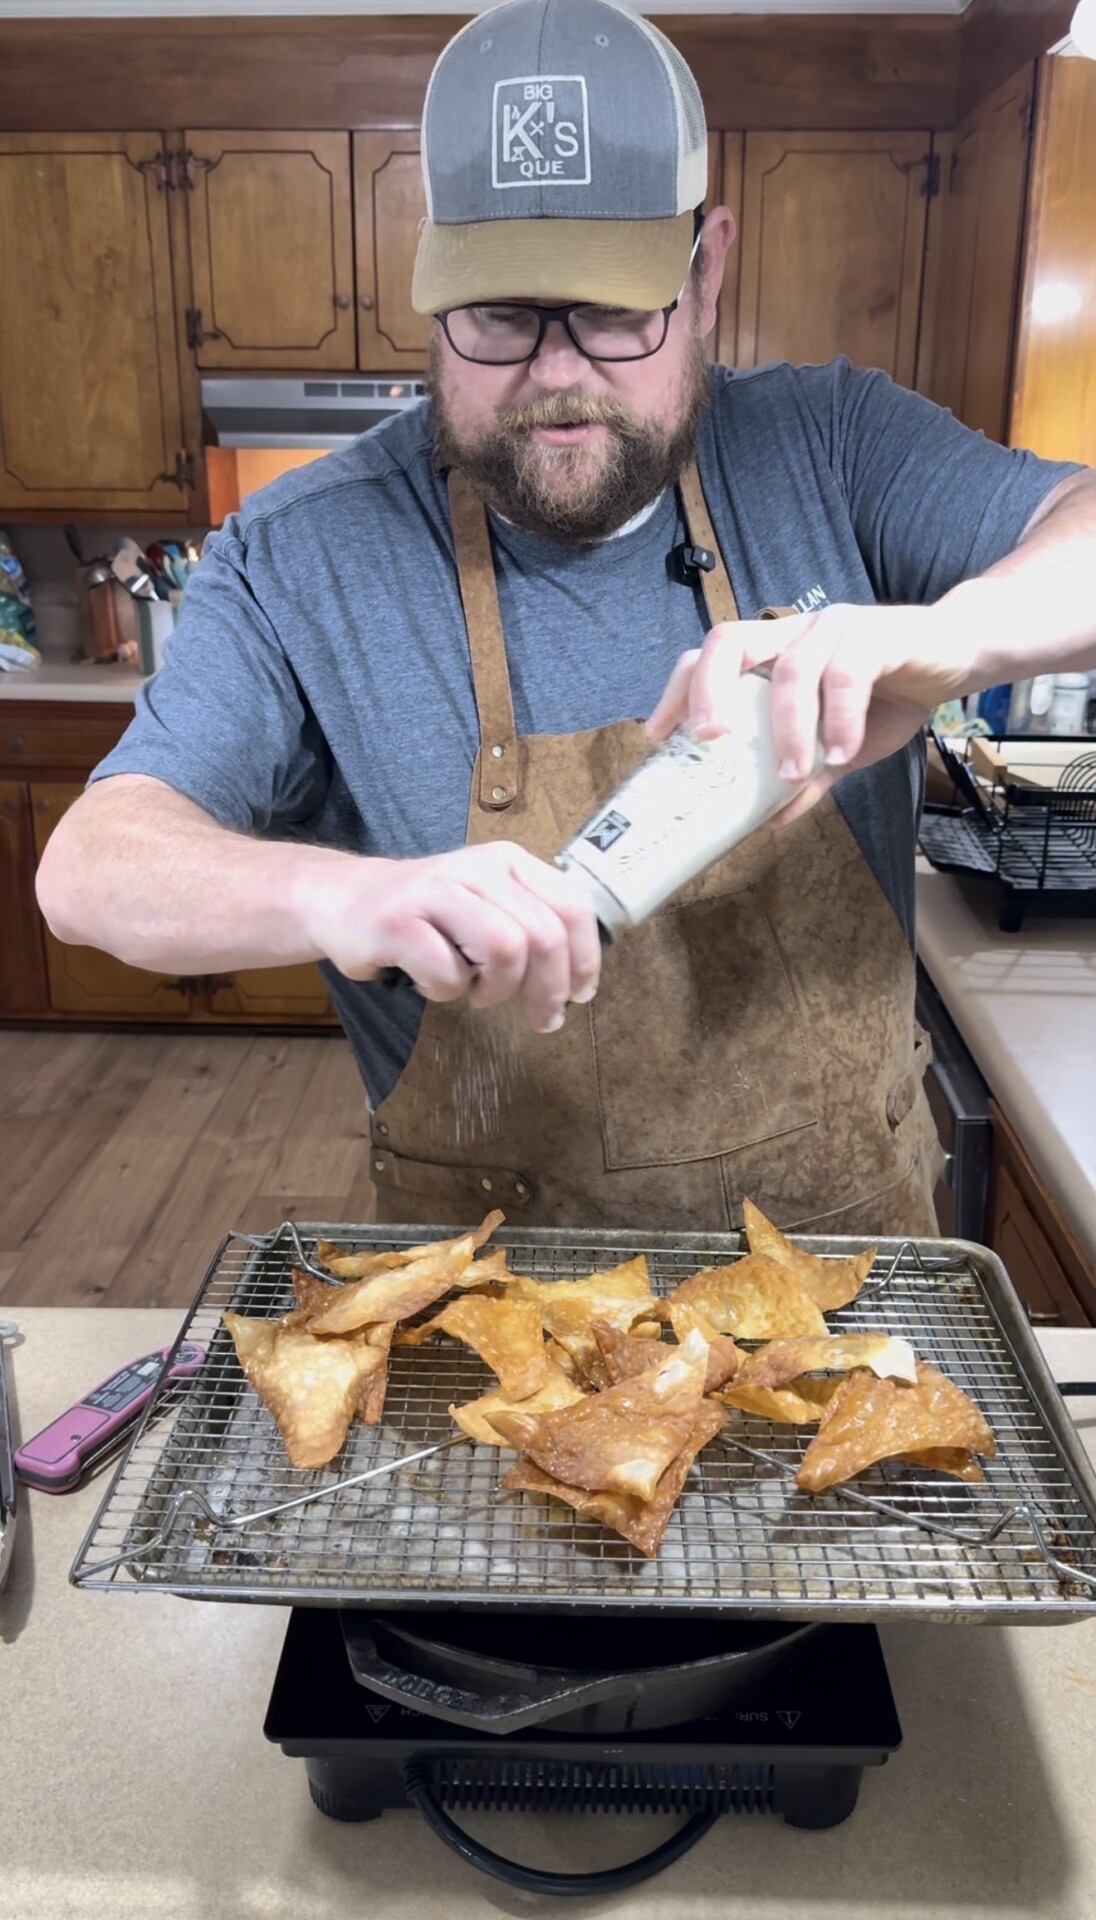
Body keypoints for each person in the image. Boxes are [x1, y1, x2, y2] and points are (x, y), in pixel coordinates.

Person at [36, 0, 1095, 1238]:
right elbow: (90, 867)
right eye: (497, 314)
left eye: (609, 309)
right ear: (432, 287)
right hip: (497, 1319)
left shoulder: (833, 444)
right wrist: (341, 899)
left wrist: (944, 639)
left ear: (706, 273)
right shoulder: (300, 552)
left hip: (851, 1283)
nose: (552, 372)